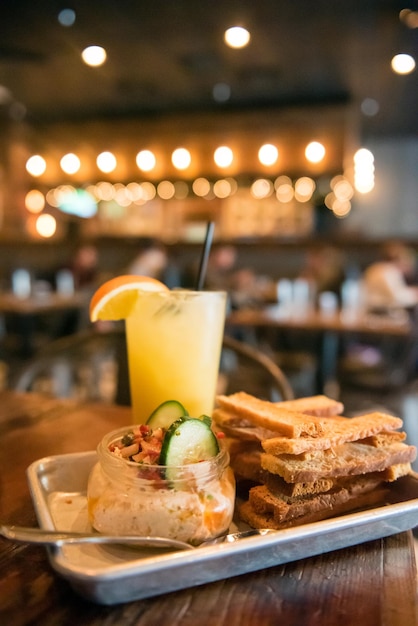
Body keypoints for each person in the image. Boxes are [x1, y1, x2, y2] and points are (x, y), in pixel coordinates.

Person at [362, 241, 418, 310]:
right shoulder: (390, 271)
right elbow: (396, 297)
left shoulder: (373, 269)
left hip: (369, 310)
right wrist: (414, 294)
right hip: (385, 313)